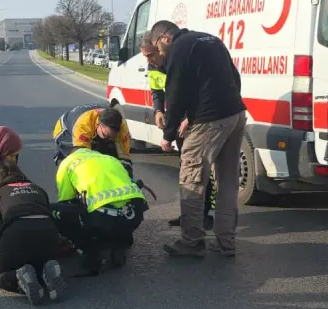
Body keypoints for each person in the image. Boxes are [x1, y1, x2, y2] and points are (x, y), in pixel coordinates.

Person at [148, 20, 246, 258]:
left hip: (208, 121)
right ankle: (226, 243)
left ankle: (191, 242)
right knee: (228, 182)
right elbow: (236, 77)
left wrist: (167, 135)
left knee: (191, 179)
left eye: (158, 49)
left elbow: (175, 94)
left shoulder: (179, 49)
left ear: (164, 38)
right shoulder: (211, 39)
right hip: (235, 114)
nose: (160, 54)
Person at [141, 34, 216, 231]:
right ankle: (189, 215)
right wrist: (158, 110)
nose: (149, 61)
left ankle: (203, 215)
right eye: (145, 57)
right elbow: (158, 91)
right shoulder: (154, 66)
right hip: (179, 119)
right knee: (186, 168)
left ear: (160, 48)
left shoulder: (178, 61)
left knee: (197, 168)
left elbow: (197, 93)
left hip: (195, 118)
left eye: (150, 55)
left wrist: (188, 118)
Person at [51, 148, 147, 274]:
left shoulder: (67, 163)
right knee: (117, 213)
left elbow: (66, 200)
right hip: (134, 213)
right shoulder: (109, 158)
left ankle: (90, 251)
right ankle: (119, 243)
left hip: (103, 219)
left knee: (56, 212)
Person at [0, 160, 65, 305]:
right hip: (48, 231)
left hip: (17, 232)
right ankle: (47, 270)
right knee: (38, 262)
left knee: (0, 276)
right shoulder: (37, 188)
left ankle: (19, 278)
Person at [52, 104, 133, 176]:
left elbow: (125, 156)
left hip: (93, 130)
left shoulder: (123, 127)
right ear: (99, 124)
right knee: (79, 166)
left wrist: (127, 173)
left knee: (111, 156)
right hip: (66, 133)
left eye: (112, 137)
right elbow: (82, 156)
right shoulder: (83, 126)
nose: (109, 139)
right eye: (106, 135)